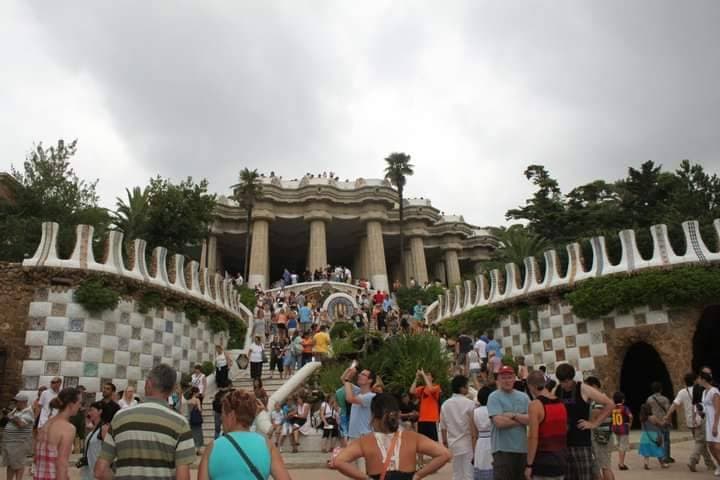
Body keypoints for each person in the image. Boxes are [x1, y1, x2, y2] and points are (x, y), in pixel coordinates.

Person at [94, 364, 196, 480]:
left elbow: (100, 471)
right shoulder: (180, 423)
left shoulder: (119, 417)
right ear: (172, 389)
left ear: (148, 384)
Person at [334, 393, 452, 480]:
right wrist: (419, 475)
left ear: (374, 416)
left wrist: (365, 478)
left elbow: (339, 461)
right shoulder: (412, 437)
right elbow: (445, 454)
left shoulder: (365, 441)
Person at [198, 389, 290, 480]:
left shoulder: (212, 448)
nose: (221, 418)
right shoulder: (267, 445)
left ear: (231, 416)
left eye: (223, 413)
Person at [554, 363, 613, 480]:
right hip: (564, 443)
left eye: (566, 381)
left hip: (581, 444)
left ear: (572, 378)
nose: (564, 385)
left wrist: (594, 424)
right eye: (561, 382)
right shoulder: (557, 389)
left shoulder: (583, 388)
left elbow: (610, 404)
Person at [665, 372, 714, 472]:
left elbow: (675, 404)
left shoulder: (682, 392)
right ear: (694, 380)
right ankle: (693, 460)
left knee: (700, 442)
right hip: (700, 419)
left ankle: (710, 464)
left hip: (690, 421)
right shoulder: (700, 390)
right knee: (700, 442)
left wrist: (667, 415)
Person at [487, 365, 529, 480]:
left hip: (522, 449)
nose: (507, 380)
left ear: (514, 378)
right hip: (502, 450)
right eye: (504, 378)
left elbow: (531, 419)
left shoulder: (524, 397)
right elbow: (499, 423)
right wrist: (521, 419)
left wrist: (513, 415)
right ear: (499, 379)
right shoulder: (493, 397)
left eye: (510, 377)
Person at [34, 387, 82, 480]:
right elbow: (61, 464)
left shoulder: (47, 423)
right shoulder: (68, 428)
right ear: (71, 404)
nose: (80, 406)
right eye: (79, 403)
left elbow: (37, 458)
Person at [439, 375, 477, 480]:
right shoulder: (470, 404)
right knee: (469, 473)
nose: (468, 389)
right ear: (461, 388)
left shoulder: (445, 405)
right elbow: (474, 425)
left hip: (453, 444)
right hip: (467, 443)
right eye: (466, 386)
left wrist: (445, 444)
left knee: (456, 474)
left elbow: (443, 426)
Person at [585, 377, 614, 480]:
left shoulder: (599, 400)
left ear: (594, 386)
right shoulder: (603, 398)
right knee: (604, 465)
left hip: (600, 437)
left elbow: (594, 416)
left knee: (605, 466)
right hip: (604, 436)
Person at [342, 365, 377, 443]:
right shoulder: (358, 392)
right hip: (353, 436)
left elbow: (349, 398)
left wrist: (348, 380)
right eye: (360, 373)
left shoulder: (371, 397)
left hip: (364, 437)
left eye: (363, 374)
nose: (359, 375)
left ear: (370, 380)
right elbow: (344, 380)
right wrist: (350, 370)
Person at [2, 393, 34, 480]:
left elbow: (21, 424)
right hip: (10, 443)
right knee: (11, 465)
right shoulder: (16, 410)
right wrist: (7, 415)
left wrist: (11, 416)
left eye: (17, 402)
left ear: (24, 402)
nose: (15, 403)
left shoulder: (28, 412)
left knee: (18, 465)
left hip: (19, 443)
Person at [410, 369, 441, 443]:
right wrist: (416, 378)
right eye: (426, 374)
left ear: (432, 378)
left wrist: (423, 375)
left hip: (432, 419)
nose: (426, 376)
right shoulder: (422, 388)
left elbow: (431, 390)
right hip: (422, 419)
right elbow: (411, 391)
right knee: (420, 443)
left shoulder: (436, 387)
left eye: (428, 375)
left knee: (434, 442)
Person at [81, 401, 110, 480]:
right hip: (88, 470)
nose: (89, 413)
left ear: (100, 411)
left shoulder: (104, 428)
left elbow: (110, 450)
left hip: (97, 471)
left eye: (92, 410)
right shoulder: (93, 429)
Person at [646, 381, 672, 464]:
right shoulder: (665, 399)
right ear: (661, 389)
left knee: (657, 439)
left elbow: (647, 411)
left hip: (654, 422)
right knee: (666, 440)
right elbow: (668, 411)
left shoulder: (649, 399)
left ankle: (659, 456)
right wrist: (670, 421)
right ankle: (666, 457)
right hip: (664, 421)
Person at [699, 371, 720, 475]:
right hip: (708, 421)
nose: (698, 380)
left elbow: (717, 409)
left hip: (716, 421)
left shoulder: (714, 391)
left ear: (703, 379)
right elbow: (705, 407)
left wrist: (715, 426)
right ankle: (719, 465)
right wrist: (700, 411)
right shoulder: (704, 392)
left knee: (716, 446)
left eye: (699, 378)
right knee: (710, 446)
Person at [473, 386, 495, 480]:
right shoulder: (494, 410)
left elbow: (474, 434)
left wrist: (474, 452)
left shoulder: (475, 412)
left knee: (481, 465)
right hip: (493, 440)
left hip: (480, 442)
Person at [638, 403, 669, 470]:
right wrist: (665, 421)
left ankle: (646, 463)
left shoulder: (642, 418)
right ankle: (662, 464)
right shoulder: (653, 417)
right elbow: (661, 424)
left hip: (645, 436)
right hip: (654, 436)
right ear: (649, 409)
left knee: (646, 452)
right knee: (658, 450)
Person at [610, 392, 633, 472]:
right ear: (623, 400)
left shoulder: (613, 408)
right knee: (622, 446)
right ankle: (621, 463)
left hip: (615, 428)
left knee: (619, 444)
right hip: (623, 428)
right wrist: (630, 424)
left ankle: (620, 462)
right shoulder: (624, 408)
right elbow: (630, 416)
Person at [188, 387, 204, 455]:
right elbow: (200, 410)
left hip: (191, 419)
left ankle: (194, 449)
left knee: (193, 434)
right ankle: (198, 450)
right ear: (195, 393)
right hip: (197, 420)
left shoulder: (189, 401)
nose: (198, 394)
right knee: (199, 434)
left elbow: (189, 411)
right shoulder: (197, 400)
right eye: (198, 392)